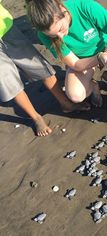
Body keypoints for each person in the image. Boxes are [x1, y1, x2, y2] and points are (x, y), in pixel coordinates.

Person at [0, 2, 90, 137]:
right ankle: (36, 117)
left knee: (39, 66)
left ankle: (65, 103)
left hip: (6, 28)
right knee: (8, 82)